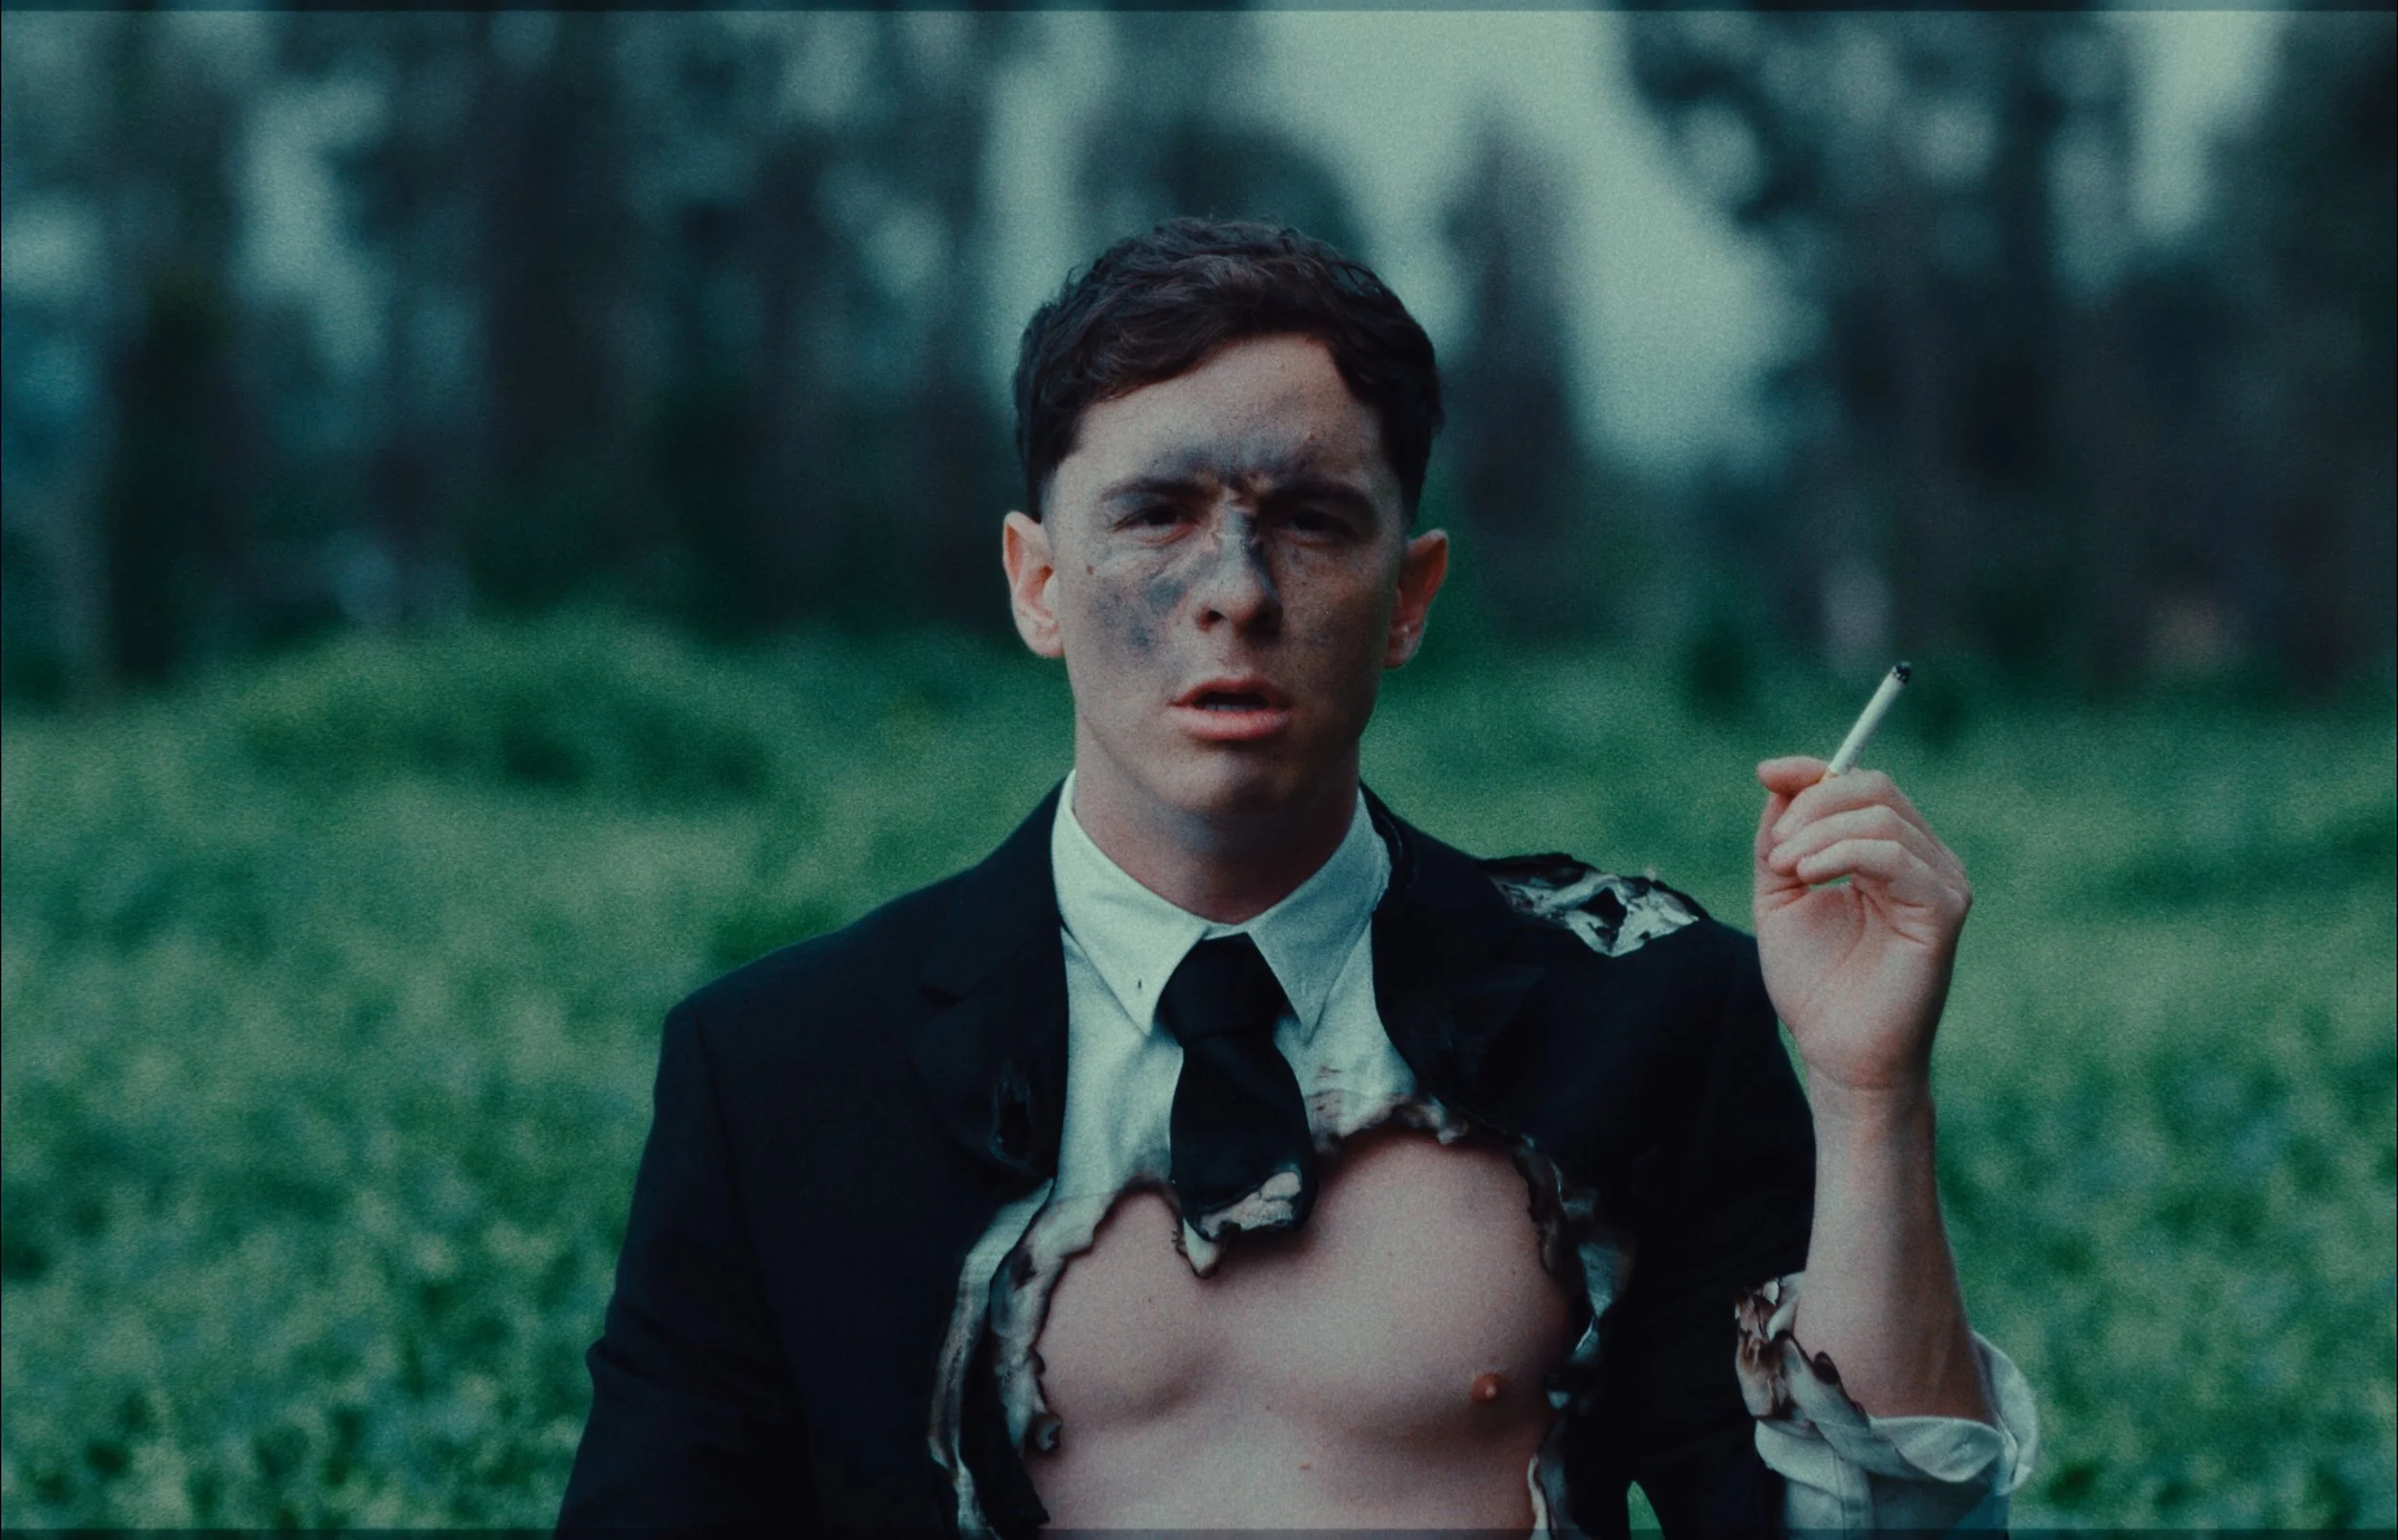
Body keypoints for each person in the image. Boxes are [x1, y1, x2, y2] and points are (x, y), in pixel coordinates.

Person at [557, 219, 2037, 1536]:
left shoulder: (1642, 1011)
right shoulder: (785, 1075)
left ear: (1410, 596)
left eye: (1312, 521)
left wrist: (1871, 1097)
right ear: (1037, 579)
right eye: (1156, 513)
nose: (1237, 592)